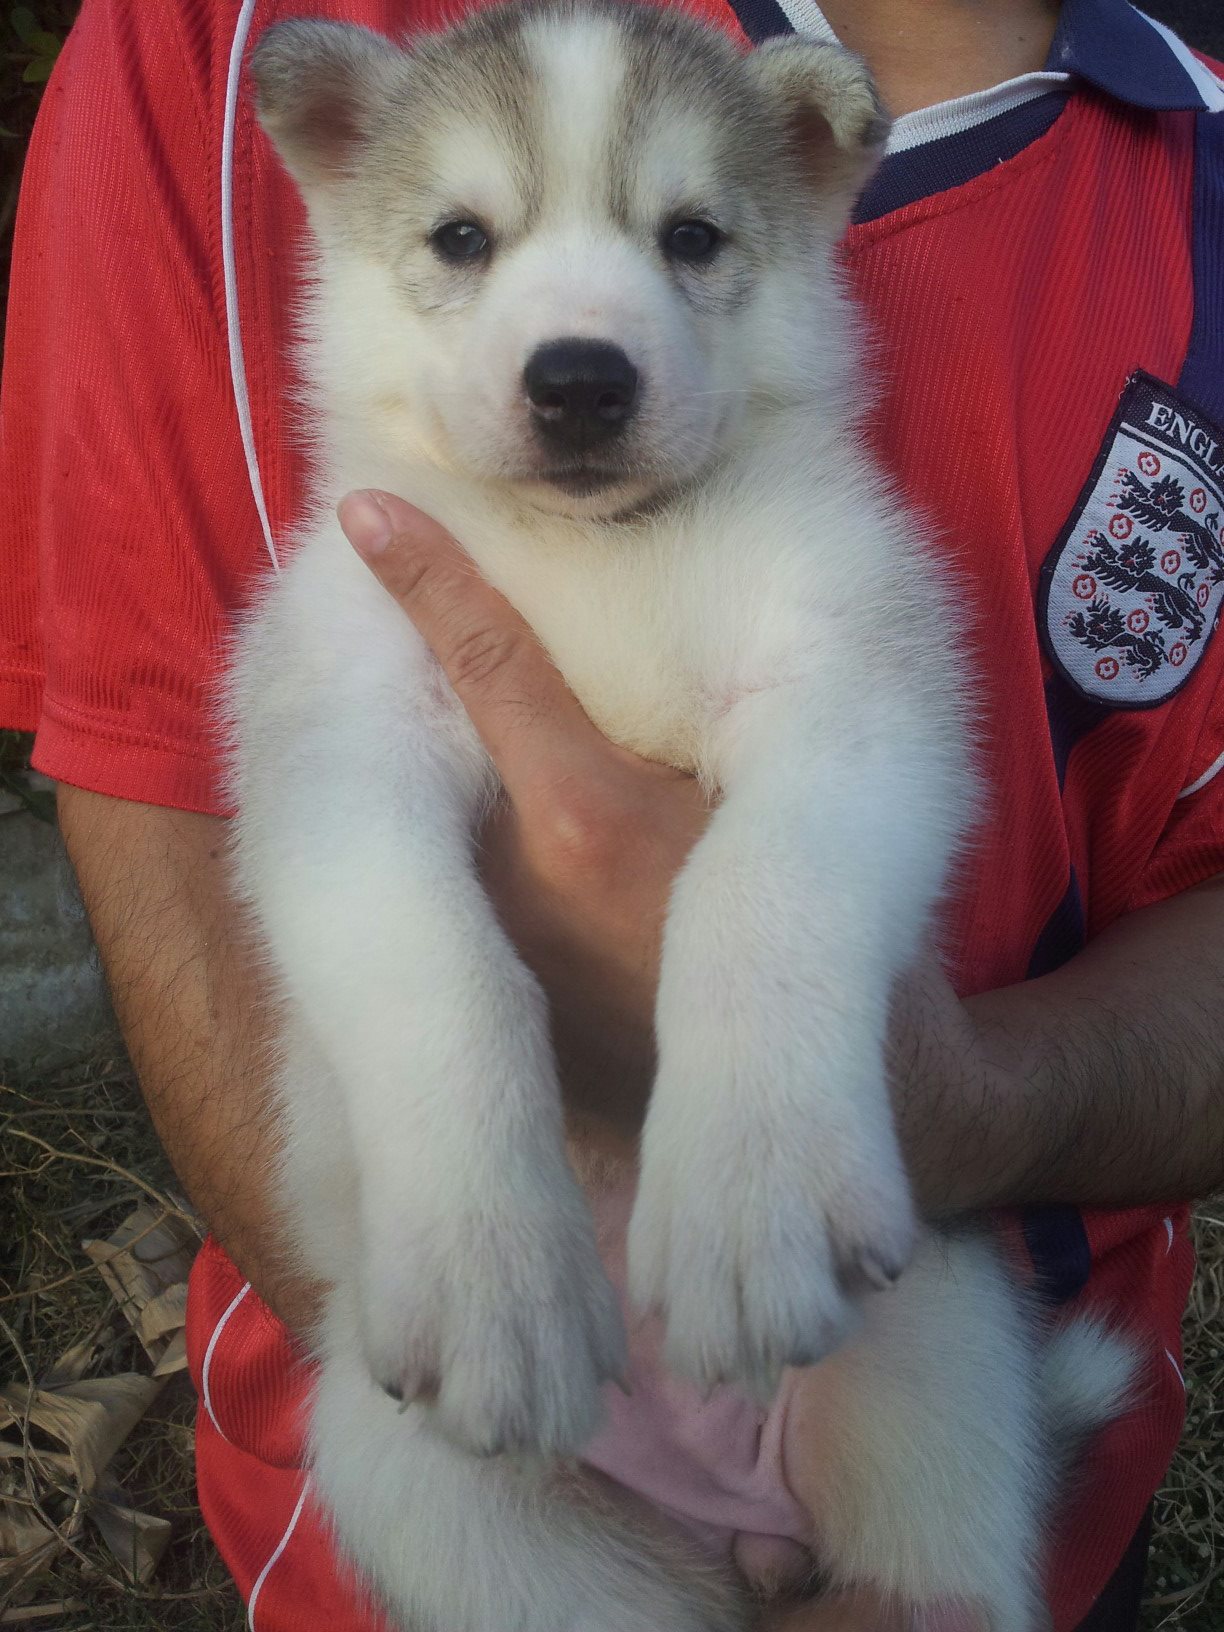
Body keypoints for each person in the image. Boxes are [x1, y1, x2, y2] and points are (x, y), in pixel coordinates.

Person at [3, 0, 1224, 1626]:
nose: (581, 343)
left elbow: (858, 744)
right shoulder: (368, 527)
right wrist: (462, 1146)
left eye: (690, 237)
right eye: (463, 239)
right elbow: (329, 823)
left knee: (947, 1371)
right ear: (338, 185)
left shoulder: (805, 499)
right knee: (403, 1469)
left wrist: (821, 1023)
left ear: (810, 196)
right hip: (487, 1392)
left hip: (856, 1313)